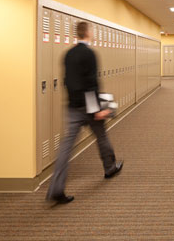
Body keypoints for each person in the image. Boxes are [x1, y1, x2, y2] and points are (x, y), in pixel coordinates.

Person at [46, 21, 123, 205]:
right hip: (89, 107)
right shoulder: (89, 54)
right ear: (88, 32)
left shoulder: (68, 54)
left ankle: (56, 188)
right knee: (101, 136)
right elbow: (91, 83)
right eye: (92, 30)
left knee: (66, 147)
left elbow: (68, 81)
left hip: (73, 106)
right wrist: (97, 109)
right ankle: (110, 167)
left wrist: (76, 102)